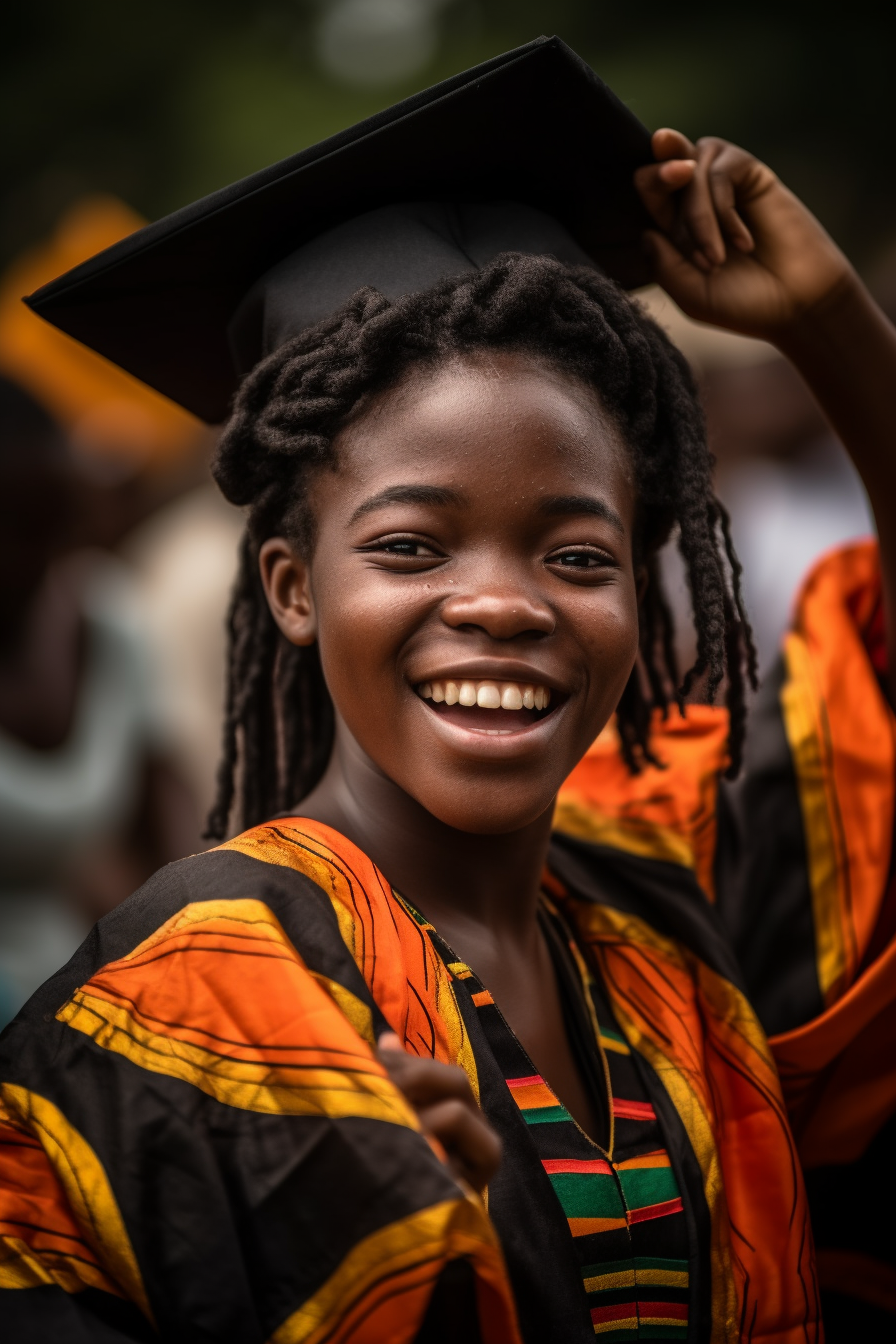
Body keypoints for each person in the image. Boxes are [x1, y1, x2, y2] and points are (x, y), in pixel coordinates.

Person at [1, 36, 894, 1343]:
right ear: (294, 588)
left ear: (647, 589)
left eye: (577, 554)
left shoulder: (663, 918)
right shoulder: (199, 994)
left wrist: (832, 326)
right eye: (412, 545)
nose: (503, 602)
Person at [0, 377, 198, 1030]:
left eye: (49, 525)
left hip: (66, 1008)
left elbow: (174, 846)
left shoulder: (106, 620)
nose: (36, 558)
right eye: (12, 528)